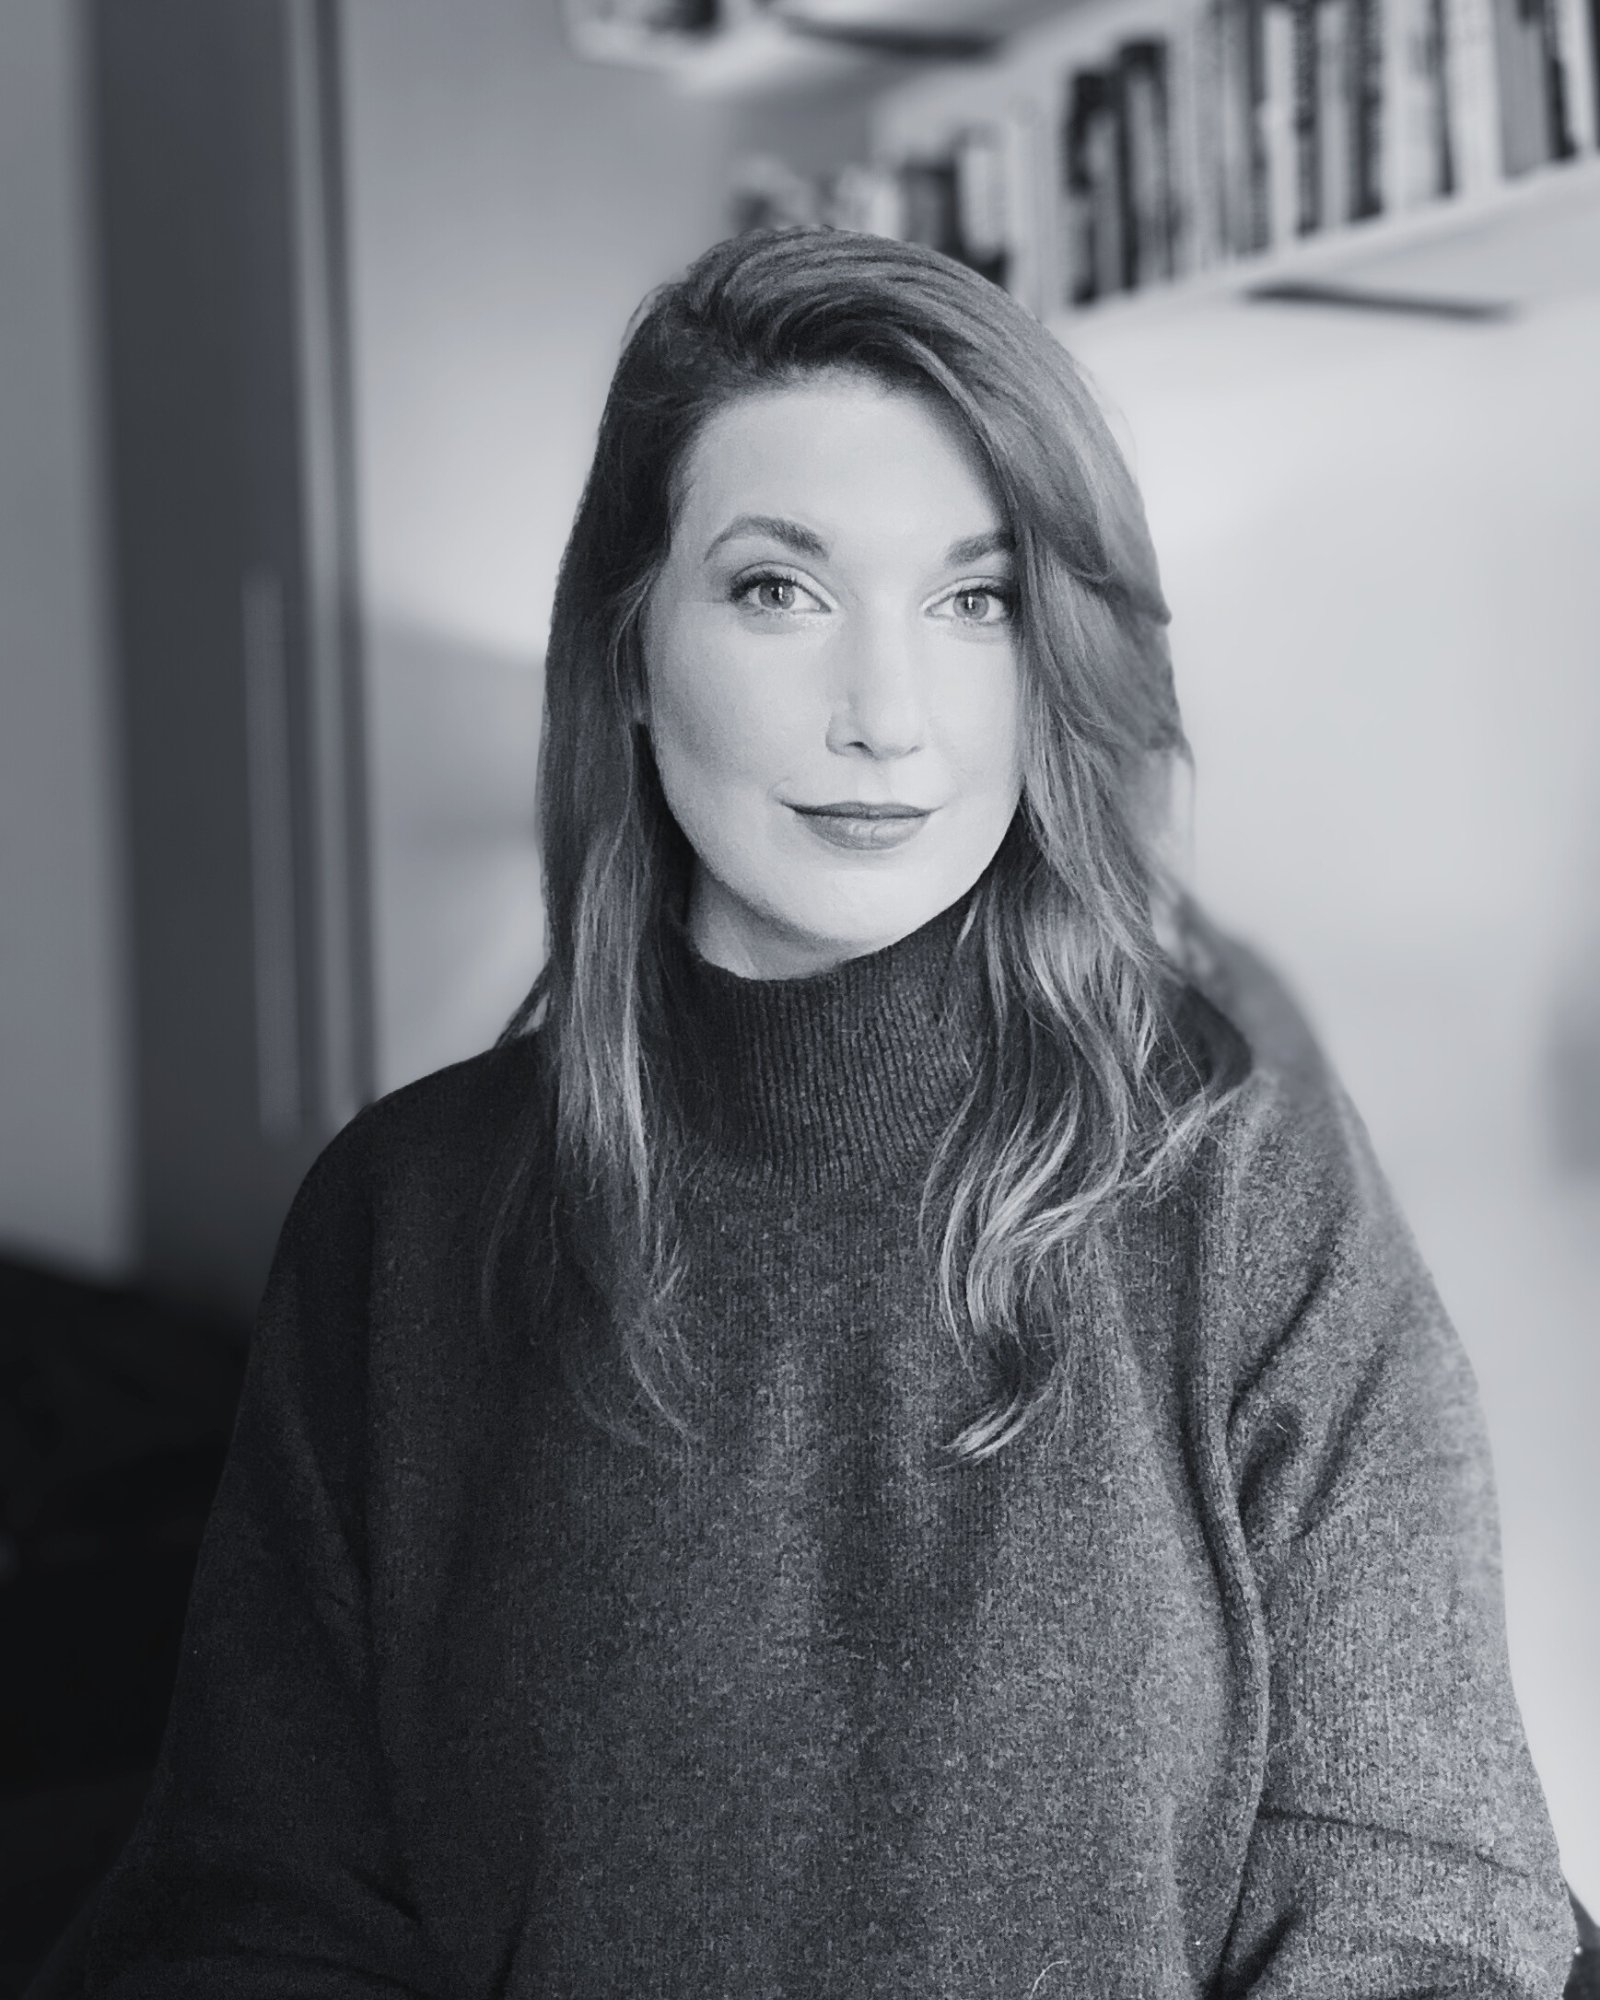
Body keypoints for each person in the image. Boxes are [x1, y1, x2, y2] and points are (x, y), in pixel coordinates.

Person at [76, 226, 1577, 1998]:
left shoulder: (1233, 1164)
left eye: (977, 598)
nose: (889, 717)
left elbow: (1421, 1891)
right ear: (631, 652)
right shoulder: (401, 1219)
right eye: (780, 590)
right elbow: (265, 1915)